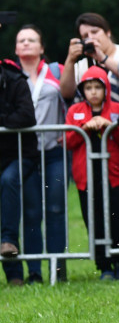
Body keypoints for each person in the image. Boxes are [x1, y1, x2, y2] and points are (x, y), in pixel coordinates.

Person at [65, 67, 119, 279]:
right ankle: (103, 266)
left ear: (106, 89)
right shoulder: (74, 110)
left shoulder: (118, 109)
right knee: (93, 220)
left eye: (97, 87)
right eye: (88, 87)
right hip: (86, 177)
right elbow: (69, 141)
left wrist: (109, 126)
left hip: (113, 175)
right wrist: (84, 128)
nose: (93, 92)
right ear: (82, 90)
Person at [14, 25, 67, 282]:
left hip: (55, 151)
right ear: (15, 48)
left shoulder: (56, 72)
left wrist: (68, 131)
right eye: (21, 40)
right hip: (25, 153)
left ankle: (58, 269)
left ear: (41, 47)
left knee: (56, 209)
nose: (26, 44)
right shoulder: (10, 75)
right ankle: (34, 271)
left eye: (31, 40)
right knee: (31, 212)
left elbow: (72, 99)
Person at [59, 12, 119, 107]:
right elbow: (66, 94)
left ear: (108, 32)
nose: (91, 38)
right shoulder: (81, 66)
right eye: (85, 36)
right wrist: (70, 60)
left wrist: (103, 58)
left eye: (94, 32)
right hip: (94, 121)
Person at [0, 57, 39, 285]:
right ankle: (14, 276)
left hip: (21, 154)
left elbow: (27, 116)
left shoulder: (15, 80)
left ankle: (8, 242)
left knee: (8, 181)